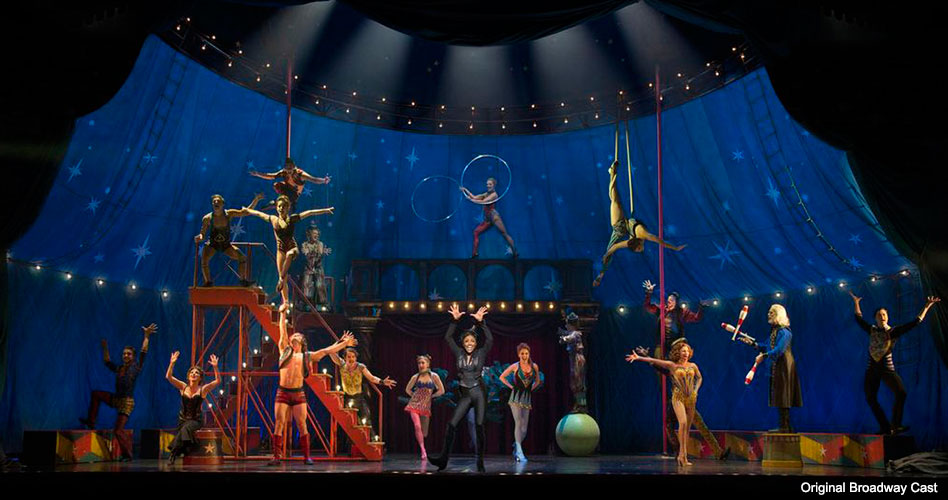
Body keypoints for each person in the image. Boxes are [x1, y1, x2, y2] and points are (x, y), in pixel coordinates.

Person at [270, 306, 356, 465]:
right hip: (283, 392)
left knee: (302, 424)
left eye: (298, 335)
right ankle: (276, 456)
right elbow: (282, 330)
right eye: (293, 335)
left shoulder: (307, 356)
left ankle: (306, 456)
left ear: (302, 342)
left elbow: (327, 351)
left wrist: (344, 344)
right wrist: (282, 313)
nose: (295, 335)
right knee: (279, 423)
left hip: (298, 393)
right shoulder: (284, 351)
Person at [849, 291, 939, 435]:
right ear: (875, 318)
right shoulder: (872, 330)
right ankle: (885, 427)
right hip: (872, 369)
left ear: (887, 317)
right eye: (879, 315)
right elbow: (858, 319)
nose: (882, 317)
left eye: (884, 314)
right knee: (870, 398)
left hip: (887, 369)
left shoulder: (893, 331)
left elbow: (915, 322)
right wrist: (856, 303)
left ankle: (896, 425)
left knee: (901, 393)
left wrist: (927, 306)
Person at [593, 161, 685, 287]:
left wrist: (606, 255)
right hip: (626, 225)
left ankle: (612, 173)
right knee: (615, 199)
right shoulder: (642, 236)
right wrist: (675, 248)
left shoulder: (639, 237)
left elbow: (614, 247)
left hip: (619, 226)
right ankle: (612, 173)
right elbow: (661, 242)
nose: (641, 249)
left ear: (638, 244)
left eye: (639, 249)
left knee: (614, 200)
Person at [79, 323, 157, 460]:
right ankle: (91, 421)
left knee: (118, 430)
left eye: (128, 354)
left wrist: (146, 336)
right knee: (96, 394)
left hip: (126, 403)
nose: (126, 355)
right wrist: (105, 348)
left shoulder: (136, 367)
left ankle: (128, 455)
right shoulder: (120, 368)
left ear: (133, 356)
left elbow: (143, 352)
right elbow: (107, 361)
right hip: (116, 399)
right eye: (124, 354)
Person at [237, 196, 334, 306]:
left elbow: (310, 212)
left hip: (292, 248)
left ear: (288, 208)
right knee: (282, 276)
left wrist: (326, 210)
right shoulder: (273, 219)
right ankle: (286, 301)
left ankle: (281, 280)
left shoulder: (292, 219)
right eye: (279, 206)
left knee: (289, 255)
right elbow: (259, 214)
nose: (281, 208)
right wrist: (247, 210)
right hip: (280, 250)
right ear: (276, 208)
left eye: (283, 206)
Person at [428, 304, 492, 472]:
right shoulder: (459, 354)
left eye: (472, 341)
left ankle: (480, 461)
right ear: (463, 343)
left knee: (479, 425)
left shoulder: (481, 353)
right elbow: (448, 338)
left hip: (478, 392)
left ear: (476, 343)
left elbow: (490, 340)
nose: (469, 343)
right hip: (465, 394)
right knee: (451, 424)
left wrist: (481, 323)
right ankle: (443, 460)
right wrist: (455, 321)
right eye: (466, 341)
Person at [626, 339, 703, 467]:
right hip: (678, 397)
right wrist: (639, 357)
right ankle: (681, 454)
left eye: (687, 351)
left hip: (691, 398)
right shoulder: (672, 365)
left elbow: (699, 378)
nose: (686, 353)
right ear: (678, 353)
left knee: (687, 428)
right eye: (683, 351)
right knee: (682, 423)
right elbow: (655, 361)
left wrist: (696, 390)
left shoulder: (693, 366)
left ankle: (684, 456)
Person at [744, 304, 802, 433]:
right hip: (778, 366)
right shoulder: (775, 332)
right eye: (769, 312)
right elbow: (766, 346)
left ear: (778, 314)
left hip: (784, 367)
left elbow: (779, 349)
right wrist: (753, 343)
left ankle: (785, 427)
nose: (768, 314)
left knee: (784, 395)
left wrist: (764, 356)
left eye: (771, 312)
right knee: (780, 395)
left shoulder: (785, 332)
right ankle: (785, 426)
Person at [328, 346, 396, 448]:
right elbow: (330, 352)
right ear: (345, 358)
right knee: (350, 424)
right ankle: (352, 447)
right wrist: (341, 343)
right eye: (349, 357)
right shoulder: (341, 364)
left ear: (356, 357)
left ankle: (373, 445)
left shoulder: (360, 367)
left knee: (367, 420)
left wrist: (382, 382)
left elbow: (372, 378)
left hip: (359, 398)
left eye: (353, 357)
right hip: (347, 399)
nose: (351, 359)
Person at [194, 193, 264, 287]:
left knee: (242, 257)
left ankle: (243, 281)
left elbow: (245, 212)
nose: (216, 203)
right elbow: (202, 233)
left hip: (226, 245)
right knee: (204, 260)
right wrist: (200, 237)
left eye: (218, 201)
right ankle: (208, 282)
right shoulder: (207, 218)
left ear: (223, 204)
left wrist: (256, 200)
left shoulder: (229, 214)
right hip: (212, 244)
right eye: (214, 202)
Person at [164, 351, 220, 464]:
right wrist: (172, 363)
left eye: (196, 373)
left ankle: (173, 453)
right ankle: (188, 445)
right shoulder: (183, 387)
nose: (194, 374)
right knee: (184, 428)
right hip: (183, 419)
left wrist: (215, 367)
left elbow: (217, 381)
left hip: (196, 420)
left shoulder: (203, 389)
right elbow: (168, 377)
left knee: (186, 428)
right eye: (192, 372)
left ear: (200, 377)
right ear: (188, 376)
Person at [499, 343, 543, 462]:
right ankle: (519, 451)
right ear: (518, 354)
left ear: (529, 354)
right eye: (522, 353)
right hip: (516, 398)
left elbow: (537, 381)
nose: (524, 355)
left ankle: (516, 444)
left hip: (526, 399)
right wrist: (511, 387)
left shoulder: (534, 366)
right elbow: (502, 377)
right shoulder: (515, 366)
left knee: (524, 429)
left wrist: (530, 390)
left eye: (526, 353)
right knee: (518, 423)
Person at [461, 177, 517, 258]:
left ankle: (515, 252)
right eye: (487, 184)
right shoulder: (486, 194)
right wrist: (465, 190)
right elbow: (475, 197)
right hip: (487, 219)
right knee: (476, 232)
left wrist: (471, 200)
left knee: (504, 234)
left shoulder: (494, 195)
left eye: (490, 184)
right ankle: (474, 254)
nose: (488, 186)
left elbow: (483, 201)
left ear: (494, 185)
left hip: (494, 217)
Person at [404, 354, 446, 460]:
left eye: (423, 363)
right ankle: (423, 450)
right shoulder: (415, 377)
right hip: (414, 405)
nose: (421, 365)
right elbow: (407, 389)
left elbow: (442, 390)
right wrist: (414, 396)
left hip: (426, 406)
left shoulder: (434, 376)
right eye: (419, 363)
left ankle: (422, 445)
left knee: (424, 433)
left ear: (428, 364)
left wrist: (432, 396)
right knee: (417, 426)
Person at [249, 157, 330, 210]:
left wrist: (324, 180)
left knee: (282, 202)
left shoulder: (300, 174)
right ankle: (279, 201)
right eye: (287, 169)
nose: (288, 171)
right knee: (276, 185)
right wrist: (258, 174)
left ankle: (284, 203)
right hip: (287, 189)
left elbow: (314, 179)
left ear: (294, 167)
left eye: (290, 169)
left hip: (294, 194)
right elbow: (271, 176)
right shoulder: (283, 172)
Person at [558, 311, 587, 412]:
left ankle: (582, 405)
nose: (566, 326)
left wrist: (563, 338)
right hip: (573, 358)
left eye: (567, 324)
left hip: (577, 359)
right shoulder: (572, 333)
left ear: (571, 325)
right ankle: (578, 404)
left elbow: (568, 338)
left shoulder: (576, 334)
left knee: (578, 381)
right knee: (574, 382)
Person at [301, 225, 332, 308]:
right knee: (307, 284)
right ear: (309, 234)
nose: (316, 235)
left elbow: (319, 257)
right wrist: (310, 253)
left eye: (317, 234)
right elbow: (307, 256)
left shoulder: (320, 244)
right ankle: (306, 302)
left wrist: (322, 253)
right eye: (314, 233)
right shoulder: (305, 244)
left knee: (320, 285)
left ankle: (323, 302)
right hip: (309, 268)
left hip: (318, 268)